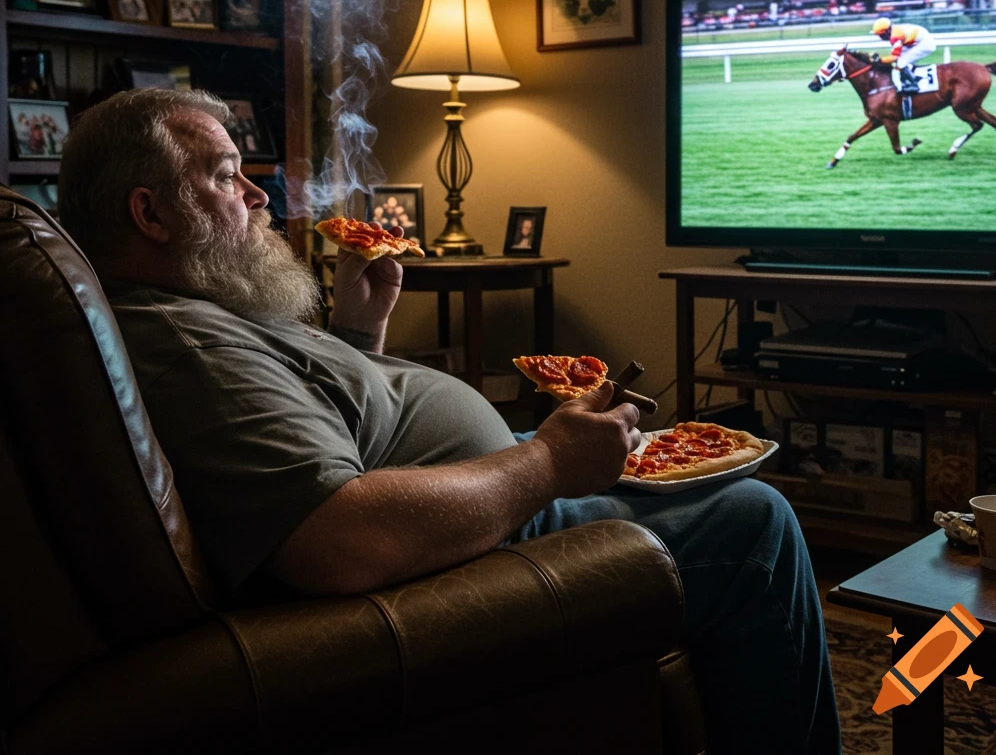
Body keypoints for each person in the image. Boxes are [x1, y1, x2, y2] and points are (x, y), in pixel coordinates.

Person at [56, 90, 840, 755]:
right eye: (228, 177)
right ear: (150, 214)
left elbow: (321, 433)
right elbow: (340, 539)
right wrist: (547, 466)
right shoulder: (185, 341)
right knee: (753, 522)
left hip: (485, 497)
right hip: (477, 545)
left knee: (703, 473)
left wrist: (358, 339)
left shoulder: (200, 309)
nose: (261, 196)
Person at [871, 16, 936, 95]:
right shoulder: (893, 32)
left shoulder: (895, 36)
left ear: (887, 31)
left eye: (881, 35)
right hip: (917, 40)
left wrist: (880, 60)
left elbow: (894, 57)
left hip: (924, 43)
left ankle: (914, 85)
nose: (880, 37)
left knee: (901, 63)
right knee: (900, 61)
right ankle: (907, 78)